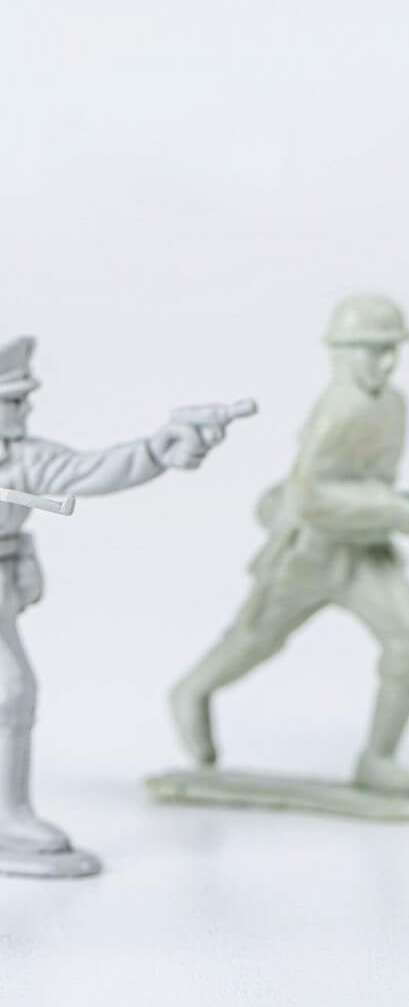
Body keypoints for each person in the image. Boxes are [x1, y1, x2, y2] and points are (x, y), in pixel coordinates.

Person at [169, 295, 409, 807]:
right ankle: (193, 690)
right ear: (340, 353)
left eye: (392, 350)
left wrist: (405, 509)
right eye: (372, 350)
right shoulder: (340, 408)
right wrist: (392, 509)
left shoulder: (393, 404)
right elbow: (309, 496)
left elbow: (369, 483)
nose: (386, 362)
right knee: (256, 640)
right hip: (310, 552)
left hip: (365, 551)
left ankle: (377, 759)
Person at [0, 334, 233, 876]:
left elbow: (89, 471)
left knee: (12, 694)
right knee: (9, 691)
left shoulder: (21, 460)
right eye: (14, 400)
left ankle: (8, 815)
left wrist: (156, 450)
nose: (25, 409)